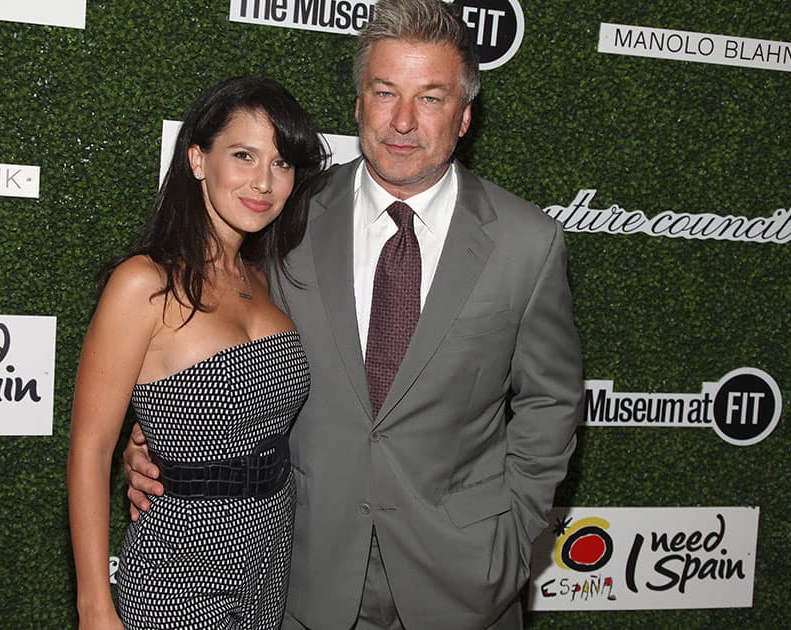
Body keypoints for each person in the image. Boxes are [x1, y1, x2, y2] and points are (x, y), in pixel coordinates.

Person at [125, 1, 584, 628]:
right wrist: (158, 443)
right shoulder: (283, 214)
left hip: (466, 581)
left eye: (430, 98)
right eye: (384, 91)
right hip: (300, 572)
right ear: (359, 103)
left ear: (466, 115)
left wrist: (514, 536)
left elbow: (550, 402)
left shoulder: (528, 242)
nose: (401, 121)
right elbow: (209, 345)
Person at [67, 76, 328, 629]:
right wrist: (94, 605)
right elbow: (91, 452)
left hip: (270, 553)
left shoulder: (264, 281)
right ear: (197, 159)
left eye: (281, 164)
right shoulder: (144, 283)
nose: (264, 182)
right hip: (179, 566)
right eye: (243, 155)